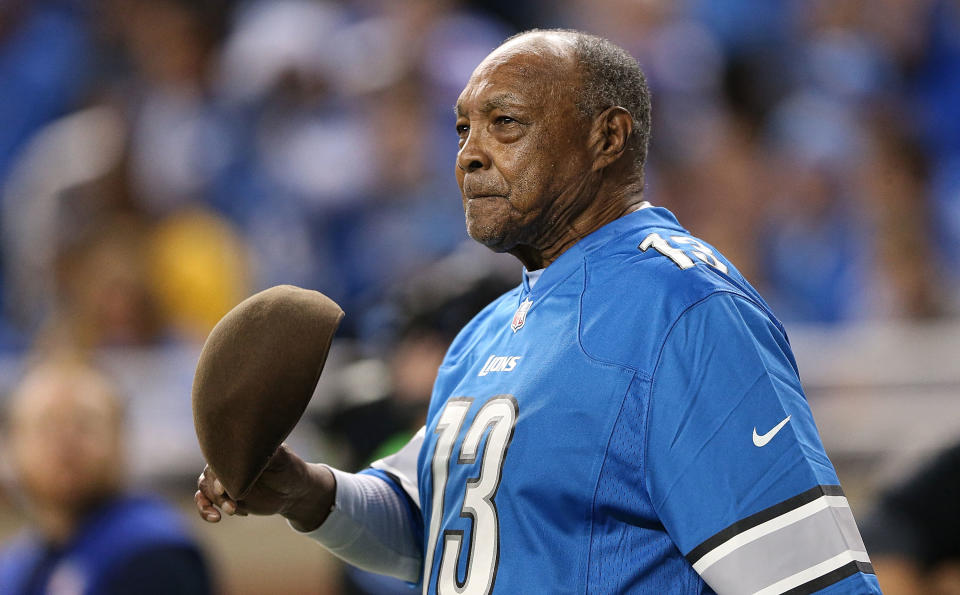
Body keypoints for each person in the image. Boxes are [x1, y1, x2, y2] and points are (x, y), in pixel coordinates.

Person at [196, 29, 881, 594]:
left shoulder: (685, 308)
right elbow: (433, 524)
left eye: (505, 124)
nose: (469, 155)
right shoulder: (484, 331)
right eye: (462, 128)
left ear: (608, 138)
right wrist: (303, 490)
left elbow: (811, 580)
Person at [1, 359, 213, 595]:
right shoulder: (17, 567)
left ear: (120, 439)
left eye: (84, 424)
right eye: (46, 425)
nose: (65, 442)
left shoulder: (154, 554)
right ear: (13, 444)